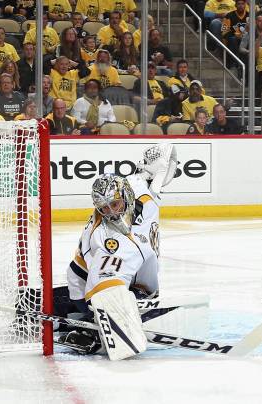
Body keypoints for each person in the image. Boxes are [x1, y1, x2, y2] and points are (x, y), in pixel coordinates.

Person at [60, 144, 178, 356]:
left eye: (115, 204)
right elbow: (83, 277)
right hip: (88, 285)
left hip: (143, 286)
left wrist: (160, 170)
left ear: (126, 195)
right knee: (95, 298)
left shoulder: (140, 190)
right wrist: (94, 316)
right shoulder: (102, 236)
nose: (112, 213)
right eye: (104, 208)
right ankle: (85, 321)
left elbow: (164, 152)